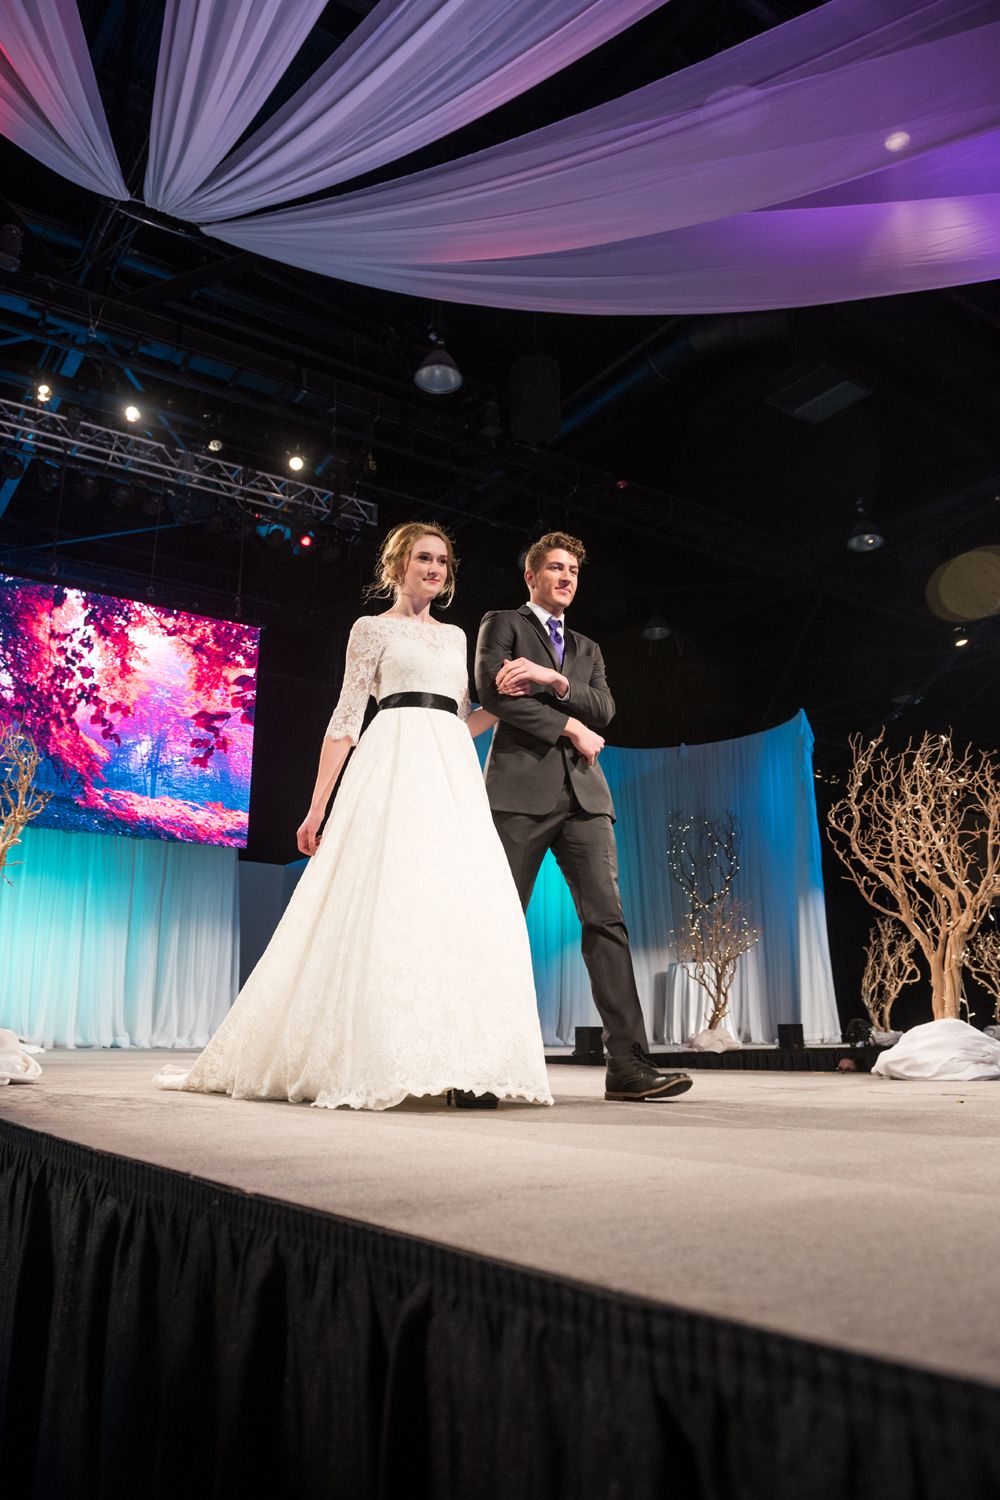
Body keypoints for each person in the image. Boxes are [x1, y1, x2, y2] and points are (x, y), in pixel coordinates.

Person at [155, 523, 553, 1112]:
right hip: (390, 763)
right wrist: (318, 806)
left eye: (442, 560)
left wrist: (503, 703)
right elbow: (345, 720)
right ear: (398, 566)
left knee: (457, 903)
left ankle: (462, 1060)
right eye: (423, 557)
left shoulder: (455, 637)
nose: (435, 568)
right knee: (385, 898)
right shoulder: (371, 630)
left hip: (449, 775)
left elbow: (460, 718)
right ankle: (373, 1053)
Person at [474, 531, 692, 1103]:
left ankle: (628, 1065)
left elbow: (606, 708)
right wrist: (569, 724)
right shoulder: (503, 623)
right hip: (519, 795)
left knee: (607, 924)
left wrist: (552, 679)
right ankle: (479, 1065)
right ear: (532, 576)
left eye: (572, 569)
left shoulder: (588, 648)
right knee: (498, 923)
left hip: (587, 801)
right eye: (554, 568)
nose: (566, 577)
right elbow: (493, 695)